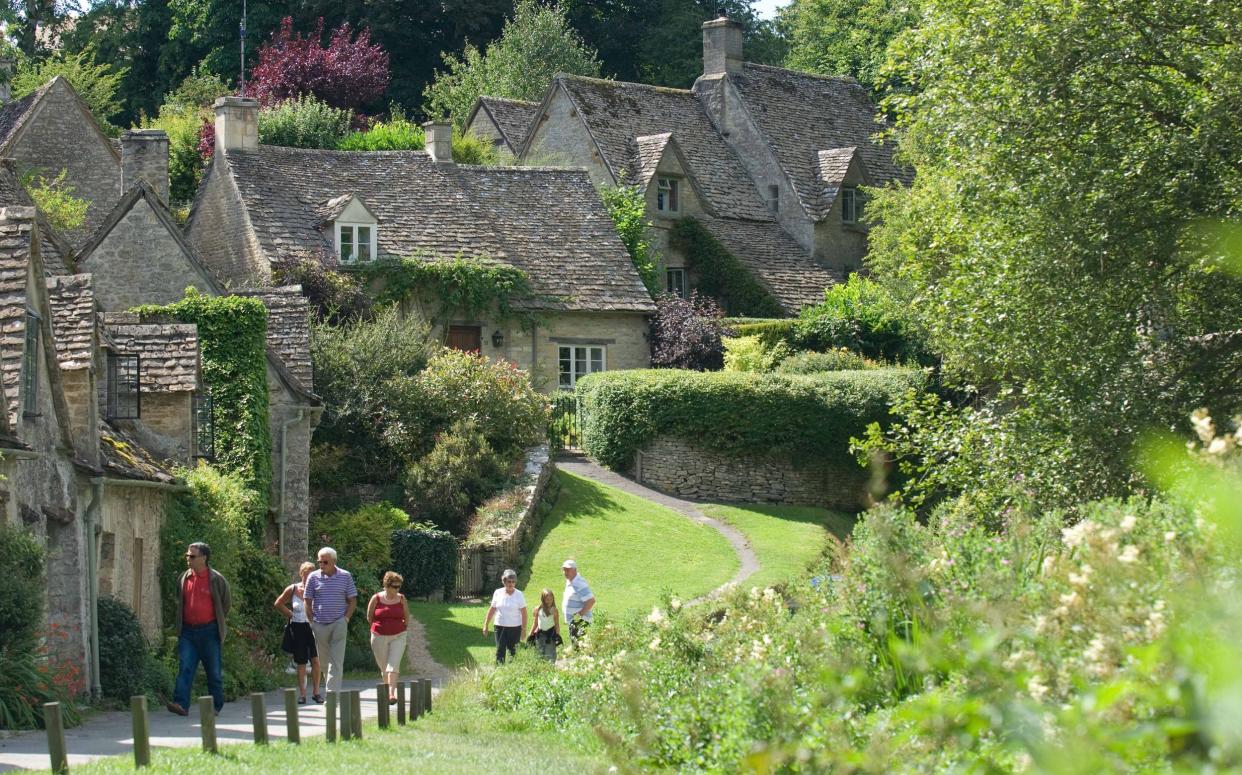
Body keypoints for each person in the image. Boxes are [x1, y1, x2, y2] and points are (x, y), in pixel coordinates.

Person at [168, 542, 231, 717]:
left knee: (213, 671)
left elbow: (226, 603)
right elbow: (178, 600)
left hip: (210, 631)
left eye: (192, 556)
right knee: (185, 668)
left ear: (204, 558)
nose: (188, 559)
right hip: (188, 631)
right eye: (187, 556)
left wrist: (216, 620)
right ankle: (180, 704)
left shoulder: (216, 579)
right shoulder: (184, 578)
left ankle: (215, 706)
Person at [304, 546, 357, 693]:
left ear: (334, 561)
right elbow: (307, 600)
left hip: (339, 622)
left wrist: (346, 619)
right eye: (320, 562)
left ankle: (332, 696)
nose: (321, 565)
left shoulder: (345, 576)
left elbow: (352, 600)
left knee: (336, 661)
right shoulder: (313, 577)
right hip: (319, 623)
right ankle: (332, 690)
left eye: (325, 562)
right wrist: (311, 621)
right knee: (323, 662)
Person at [274, 562, 323, 704]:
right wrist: (290, 613)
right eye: (306, 574)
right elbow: (278, 603)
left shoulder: (318, 589)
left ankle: (316, 692)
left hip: (313, 627)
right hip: (297, 627)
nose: (308, 577)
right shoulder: (293, 589)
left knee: (315, 659)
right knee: (301, 661)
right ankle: (302, 694)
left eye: (311, 574)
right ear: (301, 574)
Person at [367, 571, 409, 704]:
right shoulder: (376, 598)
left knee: (393, 665)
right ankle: (387, 692)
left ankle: (391, 694)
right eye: (395, 587)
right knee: (384, 668)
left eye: (399, 587)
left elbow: (406, 617)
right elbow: (369, 617)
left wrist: (400, 628)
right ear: (386, 585)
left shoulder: (401, 599)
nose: (397, 590)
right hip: (379, 636)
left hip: (398, 636)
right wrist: (380, 628)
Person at [483, 569, 527, 664]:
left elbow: (524, 613)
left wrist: (523, 630)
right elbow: (492, 609)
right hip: (500, 627)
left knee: (513, 652)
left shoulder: (519, 595)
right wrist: (486, 625)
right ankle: (500, 671)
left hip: (515, 628)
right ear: (504, 581)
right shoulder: (498, 592)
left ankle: (513, 673)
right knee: (500, 651)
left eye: (513, 582)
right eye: (509, 581)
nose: (511, 584)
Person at [561, 559, 595, 646]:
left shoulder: (578, 583)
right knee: (577, 647)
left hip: (580, 622)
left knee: (581, 648)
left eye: (568, 570)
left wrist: (579, 615)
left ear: (575, 570)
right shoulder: (570, 581)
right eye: (564, 570)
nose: (565, 572)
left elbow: (591, 600)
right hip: (574, 622)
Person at [526, 588, 562, 663]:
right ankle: (540, 670)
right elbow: (535, 623)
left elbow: (557, 624)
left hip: (551, 635)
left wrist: (558, 635)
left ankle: (550, 670)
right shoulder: (538, 609)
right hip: (540, 635)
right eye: (547, 599)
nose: (549, 601)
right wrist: (530, 633)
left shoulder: (554, 610)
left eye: (551, 599)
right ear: (543, 599)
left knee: (550, 654)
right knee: (539, 653)